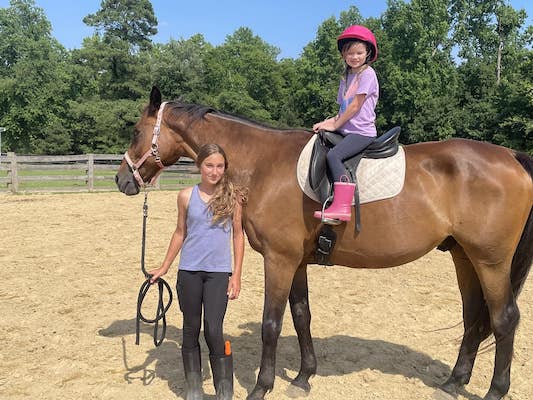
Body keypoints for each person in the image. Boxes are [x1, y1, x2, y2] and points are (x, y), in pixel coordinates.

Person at [148, 143, 244, 400]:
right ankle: (194, 389)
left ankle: (224, 390)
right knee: (190, 328)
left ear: (225, 169)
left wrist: (236, 275)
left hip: (218, 273)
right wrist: (164, 266)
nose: (214, 171)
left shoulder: (233, 198)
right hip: (189, 271)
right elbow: (181, 232)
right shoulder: (185, 196)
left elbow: (238, 235)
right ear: (199, 166)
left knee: (213, 328)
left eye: (219, 166)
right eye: (209, 165)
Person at [312, 25, 379, 223]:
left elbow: (355, 107)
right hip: (345, 128)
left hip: (361, 132)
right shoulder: (346, 77)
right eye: (350, 53)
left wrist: (334, 125)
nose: (355, 57)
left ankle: (342, 207)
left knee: (334, 156)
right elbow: (343, 109)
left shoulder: (368, 74)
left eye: (359, 52)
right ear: (344, 54)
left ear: (367, 53)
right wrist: (327, 122)